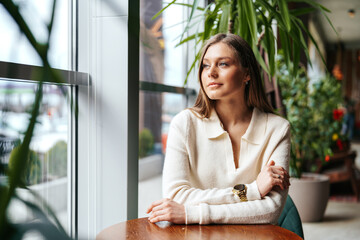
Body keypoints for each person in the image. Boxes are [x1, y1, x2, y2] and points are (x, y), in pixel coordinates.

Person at [146, 33, 291, 225]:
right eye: (206, 65)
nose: (211, 73)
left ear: (247, 73)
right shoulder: (184, 124)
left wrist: (191, 214)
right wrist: (253, 190)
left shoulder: (277, 129)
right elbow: (176, 196)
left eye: (223, 64)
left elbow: (270, 209)